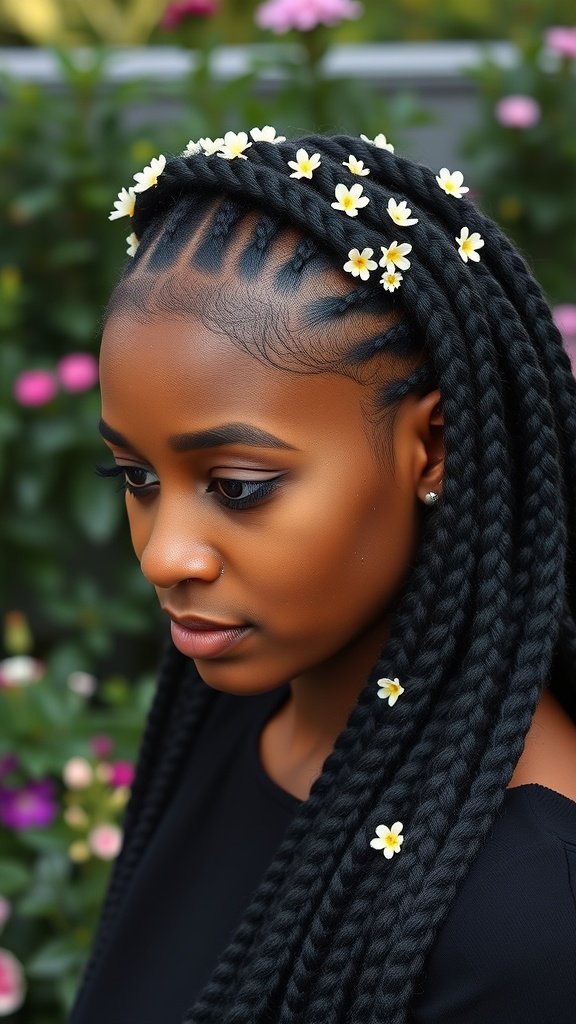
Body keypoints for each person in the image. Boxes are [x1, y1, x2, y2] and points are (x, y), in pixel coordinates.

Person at [70, 129, 576, 1024]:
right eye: (136, 479)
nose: (163, 555)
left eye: (239, 487)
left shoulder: (528, 917)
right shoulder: (231, 709)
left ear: (434, 447)